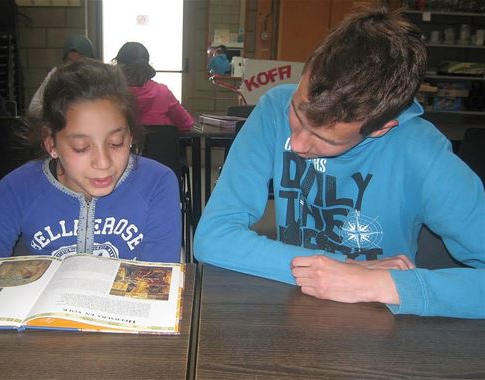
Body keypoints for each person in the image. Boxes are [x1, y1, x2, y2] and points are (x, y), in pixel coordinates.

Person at [194, 7, 485, 319]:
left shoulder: (424, 156)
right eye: (298, 114)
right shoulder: (274, 108)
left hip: (380, 330)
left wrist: (382, 284)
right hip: (295, 312)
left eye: (327, 139)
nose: (297, 144)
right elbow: (213, 237)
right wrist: (340, 269)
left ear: (380, 128)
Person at [0, 59, 181, 263]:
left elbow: (160, 277)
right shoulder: (18, 187)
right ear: (51, 144)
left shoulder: (157, 183)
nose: (103, 163)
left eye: (116, 143)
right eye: (81, 148)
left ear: (131, 135)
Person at [114, 41, 195, 132]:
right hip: (160, 145)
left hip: (122, 145)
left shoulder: (110, 94)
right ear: (147, 65)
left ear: (118, 64)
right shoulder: (163, 92)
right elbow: (187, 124)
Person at [27, 34, 96, 121]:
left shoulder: (96, 78)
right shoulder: (56, 74)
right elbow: (33, 109)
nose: (74, 66)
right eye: (70, 61)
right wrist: (57, 112)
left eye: (79, 62)